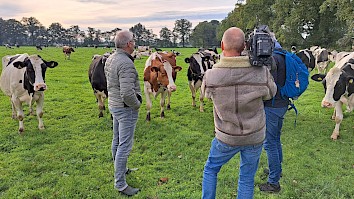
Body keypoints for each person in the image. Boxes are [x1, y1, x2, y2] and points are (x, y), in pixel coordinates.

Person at [201, 27, 277, 199]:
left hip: (226, 136)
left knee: (211, 169)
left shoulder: (211, 76)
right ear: (245, 46)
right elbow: (270, 93)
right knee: (246, 178)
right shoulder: (261, 73)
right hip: (254, 135)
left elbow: (205, 95)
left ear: (221, 45)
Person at [104, 30, 142, 196]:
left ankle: (122, 169)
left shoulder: (111, 58)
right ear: (128, 44)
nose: (134, 43)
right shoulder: (126, 63)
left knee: (117, 140)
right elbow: (127, 93)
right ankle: (120, 184)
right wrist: (137, 104)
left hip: (114, 104)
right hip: (126, 108)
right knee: (124, 146)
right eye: (133, 41)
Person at [259, 32, 288, 193]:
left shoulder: (272, 59)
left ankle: (273, 183)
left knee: (269, 143)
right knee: (275, 139)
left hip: (272, 105)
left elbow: (267, 85)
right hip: (282, 104)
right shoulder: (281, 54)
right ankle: (276, 170)